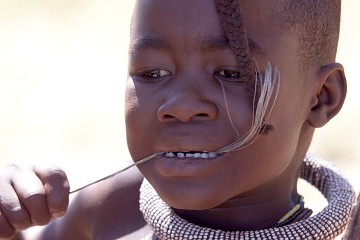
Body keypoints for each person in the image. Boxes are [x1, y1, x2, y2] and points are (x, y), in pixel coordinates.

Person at [0, 0, 358, 239]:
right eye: (153, 72)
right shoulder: (111, 208)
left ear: (321, 98)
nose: (180, 105)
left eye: (231, 73)